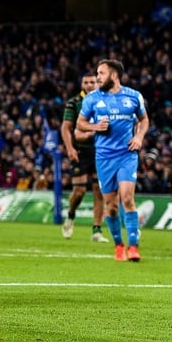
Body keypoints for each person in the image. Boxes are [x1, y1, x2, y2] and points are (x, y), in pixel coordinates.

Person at [77, 59, 148, 262]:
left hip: (126, 155)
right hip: (104, 157)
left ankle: (133, 246)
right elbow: (80, 123)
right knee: (112, 206)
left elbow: (144, 120)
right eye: (97, 73)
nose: (97, 77)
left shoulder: (133, 96)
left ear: (114, 75)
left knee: (127, 198)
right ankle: (119, 246)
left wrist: (139, 137)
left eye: (101, 73)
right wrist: (95, 127)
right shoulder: (92, 99)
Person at [59, 73, 108, 242]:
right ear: (81, 84)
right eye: (85, 82)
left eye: (92, 82)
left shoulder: (105, 100)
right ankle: (71, 215)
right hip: (80, 151)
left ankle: (96, 231)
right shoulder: (74, 102)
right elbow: (66, 127)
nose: (89, 85)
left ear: (97, 83)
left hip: (100, 151)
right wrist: (70, 148)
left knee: (99, 191)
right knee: (79, 191)